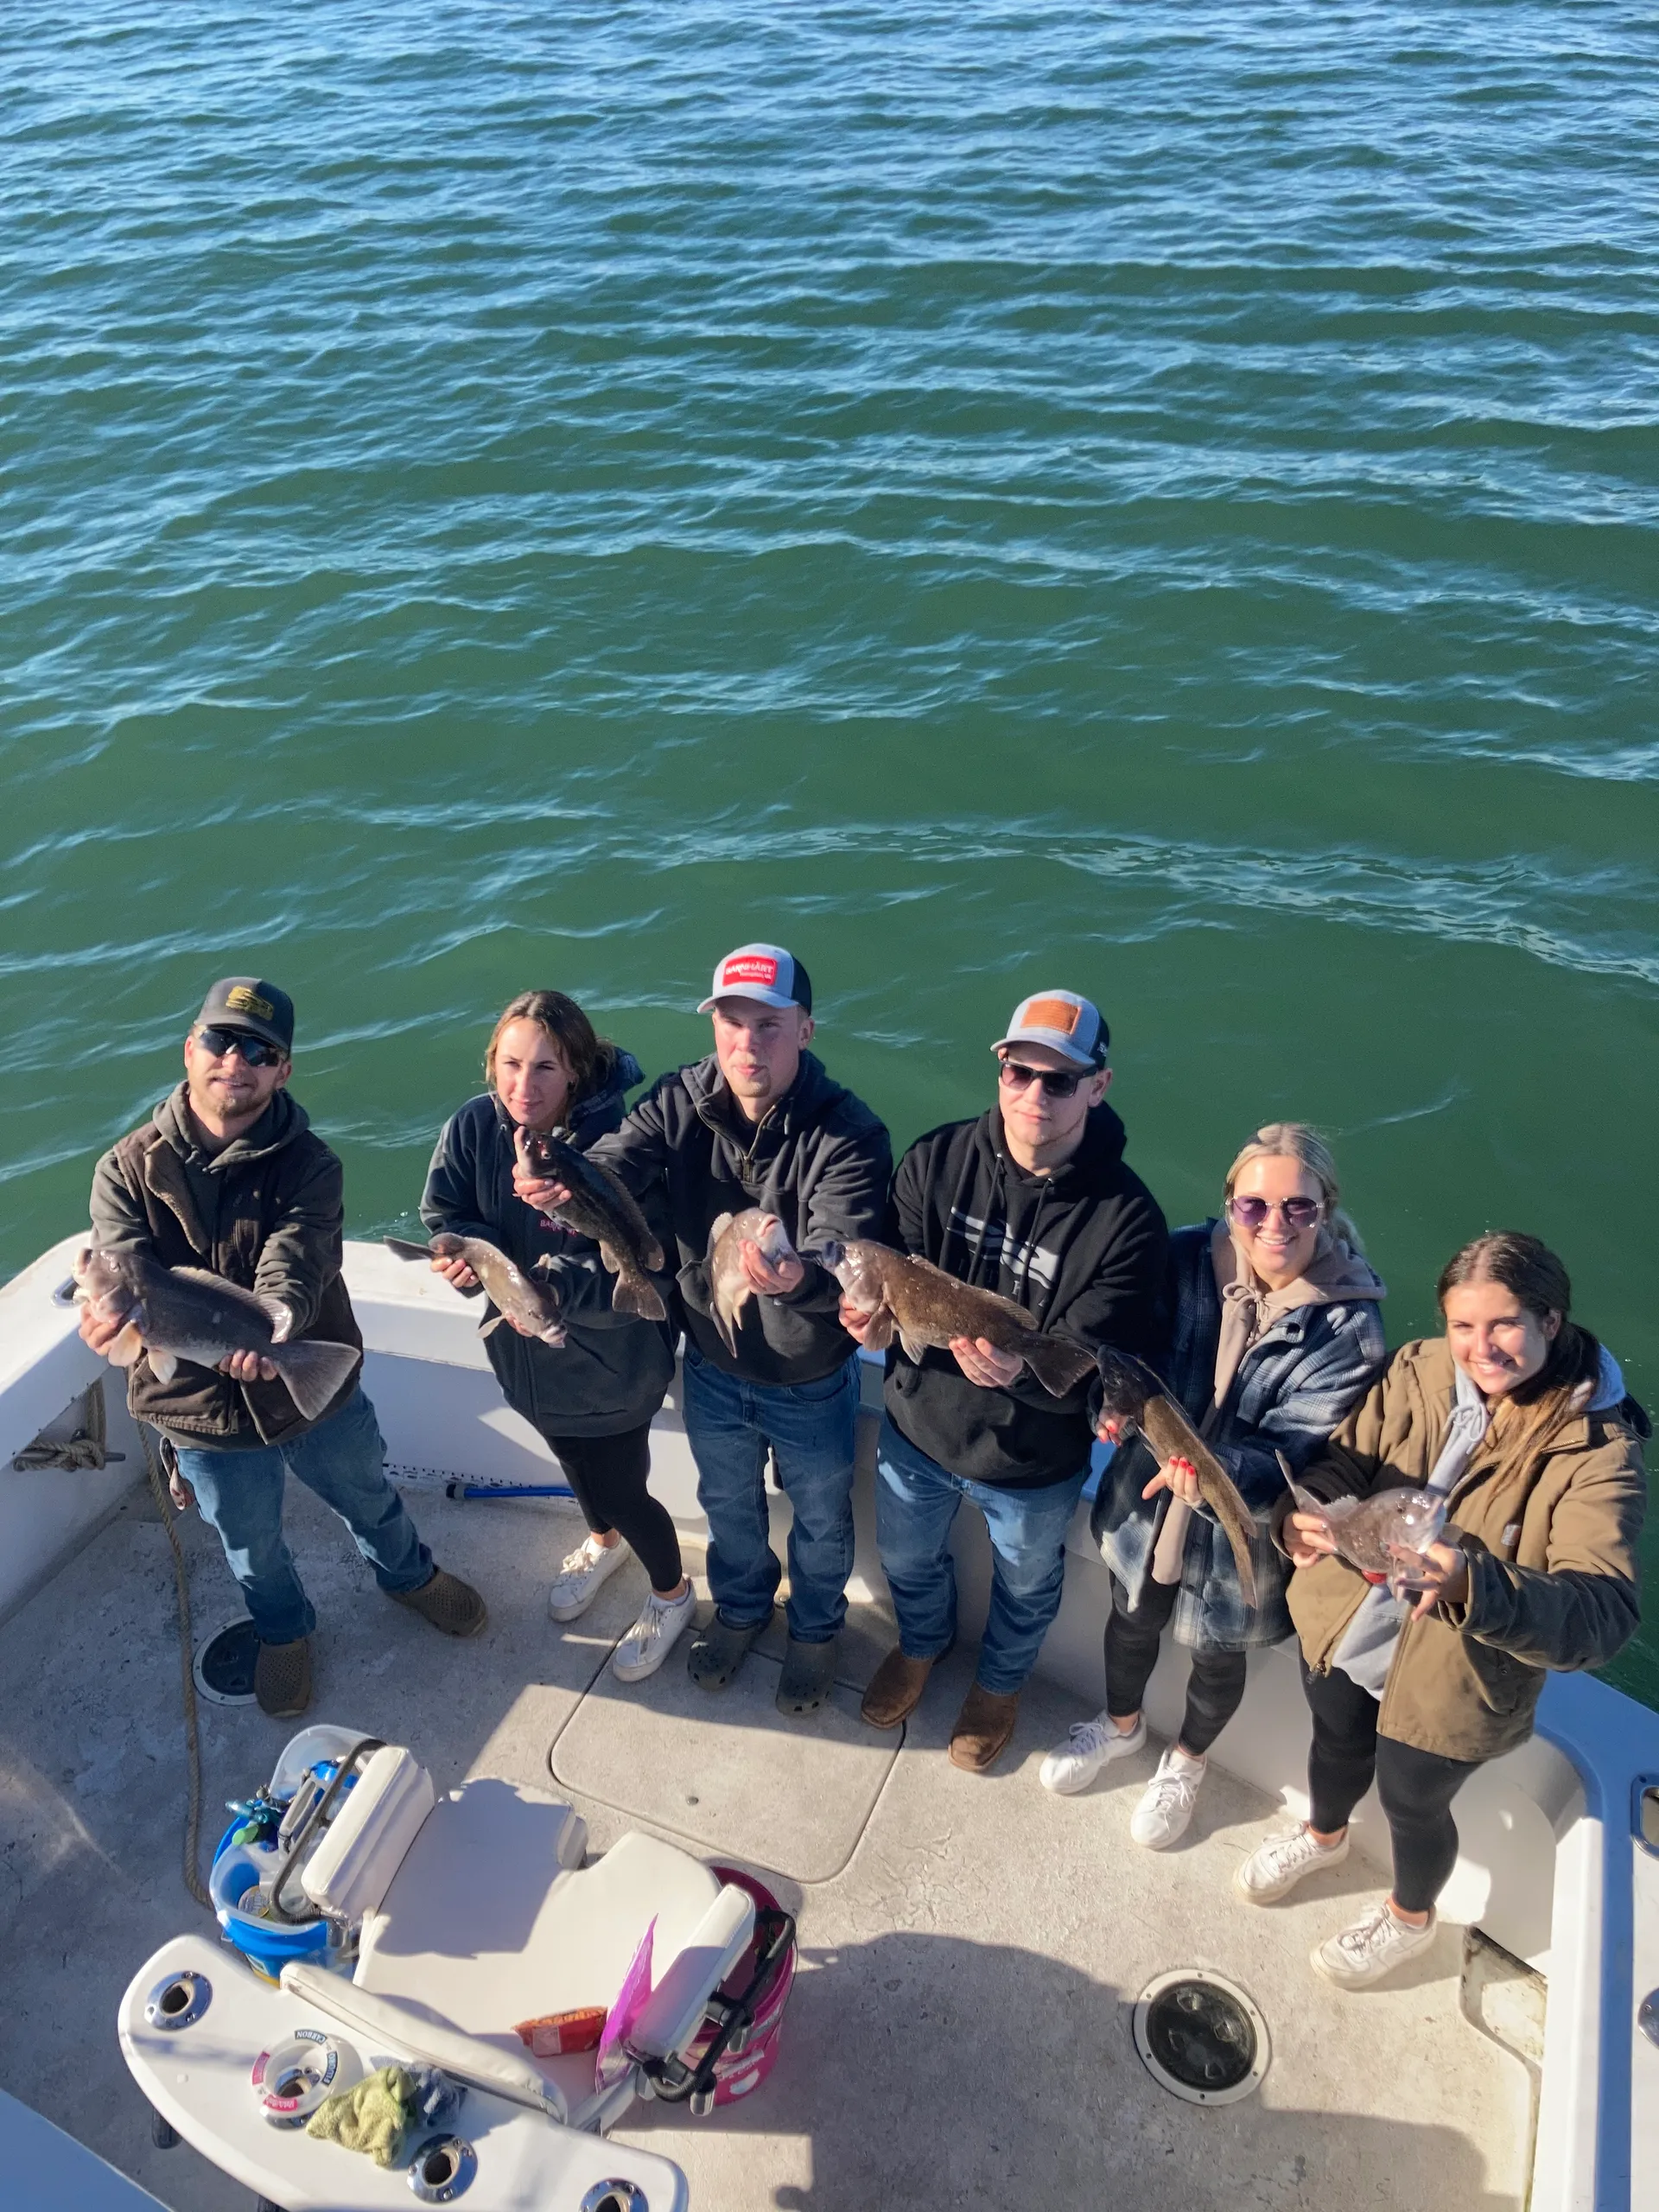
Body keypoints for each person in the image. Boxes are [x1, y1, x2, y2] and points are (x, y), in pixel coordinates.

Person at [1234, 1230, 1647, 1989]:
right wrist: (1306, 1514)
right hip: (1345, 1620)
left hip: (1457, 1672)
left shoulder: (1600, 1452)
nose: (1479, 1348)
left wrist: (1472, 1586)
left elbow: (1603, 1614)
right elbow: (1345, 1460)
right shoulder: (1419, 1368)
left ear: (1550, 1321)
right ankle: (1323, 1834)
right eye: (1463, 1326)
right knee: (1333, 1741)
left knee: (1412, 1802)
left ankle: (1410, 1916)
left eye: (1503, 1325)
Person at [80, 978, 485, 1719]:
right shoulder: (123, 1170)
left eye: (260, 1050)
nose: (236, 1060)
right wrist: (113, 1327)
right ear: (189, 1048)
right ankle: (283, 1630)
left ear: (283, 1070)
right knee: (248, 1544)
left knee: (369, 1495)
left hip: (311, 1378)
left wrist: (274, 1330)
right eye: (220, 1040)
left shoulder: (312, 1165)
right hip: (197, 1412)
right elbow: (122, 1271)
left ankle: (408, 1577)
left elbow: (296, 1259)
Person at [517, 943, 891, 1715]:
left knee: (820, 1519)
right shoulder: (681, 1097)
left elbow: (842, 1248)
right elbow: (616, 1162)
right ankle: (744, 1611)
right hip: (712, 1364)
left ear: (806, 1030)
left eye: (769, 1024)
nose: (746, 1043)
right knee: (727, 1506)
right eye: (731, 1022)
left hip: (810, 1378)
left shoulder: (849, 1133)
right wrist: (561, 1186)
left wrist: (799, 1280)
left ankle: (816, 1629)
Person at [848, 990, 1168, 1774]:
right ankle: (921, 1646)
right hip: (918, 1428)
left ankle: (998, 1686)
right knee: (907, 1556)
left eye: (1059, 1081)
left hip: (1032, 1461)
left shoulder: (1128, 1222)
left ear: (1099, 1085)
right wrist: (868, 1322)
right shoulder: (935, 1159)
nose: (1034, 1095)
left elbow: (1098, 1355)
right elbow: (887, 1279)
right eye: (1019, 1072)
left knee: (1027, 1584)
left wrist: (1020, 1372)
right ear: (999, 1068)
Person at [1040, 1123, 1386, 1845]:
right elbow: (1128, 1349)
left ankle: (1187, 1762)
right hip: (1146, 1499)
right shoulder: (1182, 1257)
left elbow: (1300, 1446)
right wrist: (1110, 1407)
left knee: (1218, 1655)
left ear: (1326, 1207)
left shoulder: (1352, 1328)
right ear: (1230, 1205)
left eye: (1298, 1207)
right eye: (1254, 1207)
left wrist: (1218, 1477)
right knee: (1131, 1616)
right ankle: (1120, 1726)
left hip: (1246, 1529)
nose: (1275, 1225)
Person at [421, 990, 692, 1681]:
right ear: (490, 1065)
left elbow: (645, 1267)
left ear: (576, 1071)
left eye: (546, 1067)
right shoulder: (472, 1127)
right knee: (573, 1466)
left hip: (611, 1365)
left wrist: (551, 1287)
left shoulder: (617, 1148)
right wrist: (467, 1256)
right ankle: (603, 1541)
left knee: (626, 1489)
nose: (523, 1085)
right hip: (524, 1359)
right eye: (510, 1064)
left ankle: (673, 1593)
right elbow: (446, 1209)